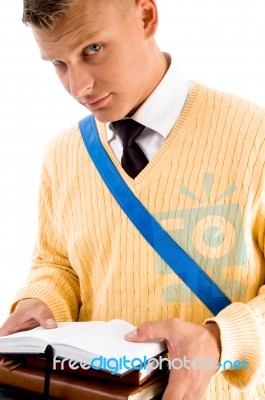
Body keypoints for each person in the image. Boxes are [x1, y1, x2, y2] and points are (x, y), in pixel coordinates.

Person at [0, 0, 265, 398]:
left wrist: (220, 339)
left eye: (92, 49)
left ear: (146, 17)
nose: (78, 87)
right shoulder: (63, 154)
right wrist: (40, 300)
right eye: (58, 63)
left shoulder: (253, 137)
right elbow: (57, 264)